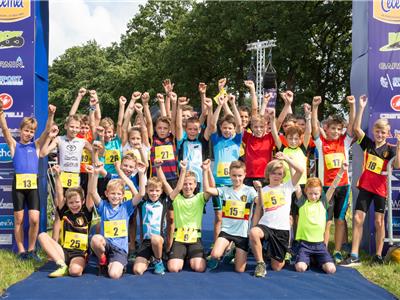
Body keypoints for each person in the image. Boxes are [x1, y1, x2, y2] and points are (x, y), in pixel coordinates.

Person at [341, 95, 400, 266]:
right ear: (374, 132)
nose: (380, 134)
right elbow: (357, 128)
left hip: (380, 189)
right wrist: (361, 106)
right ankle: (354, 255)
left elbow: (397, 165)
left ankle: (379, 255)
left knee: (379, 221)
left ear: (387, 133)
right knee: (358, 219)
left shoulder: (390, 149)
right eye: (377, 131)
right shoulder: (368, 144)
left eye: (383, 132)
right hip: (365, 187)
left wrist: (399, 144)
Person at [0, 102, 55, 259]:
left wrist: (50, 115)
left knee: (34, 220)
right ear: (21, 130)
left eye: (31, 131)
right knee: (18, 220)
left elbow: (46, 131)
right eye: (26, 130)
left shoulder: (36, 146)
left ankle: (32, 250)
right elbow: (4, 130)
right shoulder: (14, 145)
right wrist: (1, 112)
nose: (28, 133)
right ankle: (21, 250)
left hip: (32, 186)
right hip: (18, 185)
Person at [311, 95, 355, 263]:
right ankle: (322, 249)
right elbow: (314, 126)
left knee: (340, 220)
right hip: (326, 188)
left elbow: (351, 125)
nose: (336, 132)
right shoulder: (321, 143)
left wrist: (352, 106)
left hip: (343, 187)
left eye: (338, 129)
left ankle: (336, 250)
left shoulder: (345, 141)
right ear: (326, 128)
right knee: (326, 221)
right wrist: (315, 108)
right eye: (333, 129)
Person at [249, 152, 304, 277]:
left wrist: (286, 159)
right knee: (254, 232)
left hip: (282, 230)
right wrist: (253, 227)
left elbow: (300, 170)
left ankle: (274, 253)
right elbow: (259, 210)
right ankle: (260, 263)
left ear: (283, 176)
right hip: (266, 226)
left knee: (277, 267)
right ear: (268, 174)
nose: (276, 176)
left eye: (279, 174)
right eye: (273, 173)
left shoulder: (288, 187)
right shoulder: (263, 190)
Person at [88, 160, 146, 279]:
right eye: (112, 193)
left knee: (114, 275)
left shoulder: (126, 207)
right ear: (107, 194)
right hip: (106, 245)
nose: (115, 196)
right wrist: (95, 173)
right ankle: (103, 260)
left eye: (119, 194)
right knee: (95, 239)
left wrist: (140, 173)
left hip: (119, 249)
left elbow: (140, 195)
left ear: (123, 196)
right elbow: (92, 192)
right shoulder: (103, 206)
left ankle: (116, 264)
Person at [155, 159, 211, 273]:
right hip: (179, 238)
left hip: (195, 238)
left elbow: (208, 189)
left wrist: (205, 171)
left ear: (195, 185)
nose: (187, 186)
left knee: (199, 268)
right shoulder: (176, 198)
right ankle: (183, 255)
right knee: (173, 268)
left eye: (190, 184)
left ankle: (189, 255)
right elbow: (164, 182)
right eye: (185, 184)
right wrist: (158, 167)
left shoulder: (200, 198)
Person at [38, 165, 93, 277]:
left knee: (75, 272)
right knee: (42, 236)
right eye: (71, 203)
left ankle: (72, 266)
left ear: (82, 201)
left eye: (77, 202)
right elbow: (59, 194)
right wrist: (58, 176)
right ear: (67, 203)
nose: (74, 205)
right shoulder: (65, 212)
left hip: (79, 253)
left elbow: (90, 194)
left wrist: (91, 176)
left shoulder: (86, 213)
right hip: (64, 252)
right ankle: (62, 265)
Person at [204, 160, 257, 272]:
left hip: (242, 234)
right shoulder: (225, 190)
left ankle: (233, 252)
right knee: (215, 254)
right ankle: (225, 253)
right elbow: (208, 189)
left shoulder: (250, 191)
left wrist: (260, 190)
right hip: (226, 232)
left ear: (245, 175)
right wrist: (205, 170)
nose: (237, 179)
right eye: (234, 176)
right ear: (230, 175)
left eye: (239, 176)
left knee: (240, 270)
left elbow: (260, 202)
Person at [295, 162, 348, 274]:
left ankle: (315, 259)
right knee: (300, 268)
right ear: (306, 192)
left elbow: (333, 186)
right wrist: (290, 164)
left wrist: (341, 171)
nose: (313, 196)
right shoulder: (302, 203)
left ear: (320, 193)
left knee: (331, 269)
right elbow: (295, 184)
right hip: (305, 245)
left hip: (320, 245)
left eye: (316, 194)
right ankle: (308, 259)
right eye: (310, 194)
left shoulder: (323, 203)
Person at [133, 176, 168, 275]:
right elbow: (135, 189)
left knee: (155, 239)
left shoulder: (164, 202)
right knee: (137, 270)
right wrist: (140, 173)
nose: (154, 193)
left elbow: (175, 188)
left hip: (159, 242)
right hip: (146, 243)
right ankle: (149, 259)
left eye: (157, 190)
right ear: (146, 190)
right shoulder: (142, 203)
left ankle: (158, 260)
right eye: (151, 190)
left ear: (161, 191)